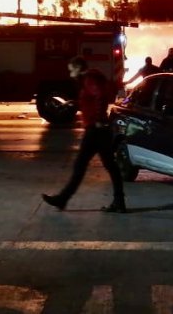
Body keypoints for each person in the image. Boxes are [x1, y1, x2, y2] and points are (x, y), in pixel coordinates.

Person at [42, 56, 126, 213]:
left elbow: (100, 96)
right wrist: (74, 103)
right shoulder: (89, 79)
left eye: (71, 70)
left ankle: (62, 199)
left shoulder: (89, 79)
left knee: (81, 165)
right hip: (99, 129)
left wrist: (99, 119)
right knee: (111, 166)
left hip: (95, 129)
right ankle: (119, 201)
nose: (70, 73)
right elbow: (92, 99)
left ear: (78, 68)